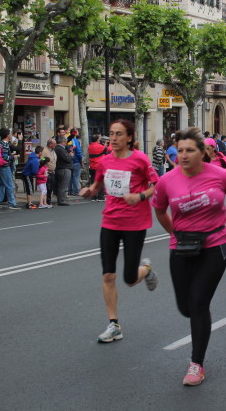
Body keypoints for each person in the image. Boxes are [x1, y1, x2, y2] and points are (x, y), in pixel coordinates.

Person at [151, 127, 226, 386]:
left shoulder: (220, 175)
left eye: (189, 150)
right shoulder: (166, 181)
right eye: (179, 151)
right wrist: (175, 232)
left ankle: (197, 364)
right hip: (181, 247)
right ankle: (195, 336)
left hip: (214, 244)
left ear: (202, 152)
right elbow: (160, 210)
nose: (183, 155)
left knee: (198, 302)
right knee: (185, 308)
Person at [79, 120, 159, 344]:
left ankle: (146, 269)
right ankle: (114, 324)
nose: (113, 139)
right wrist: (89, 191)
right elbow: (97, 186)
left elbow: (157, 184)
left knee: (130, 278)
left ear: (129, 138)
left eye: (118, 134)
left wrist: (141, 196)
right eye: (111, 134)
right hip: (110, 222)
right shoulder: (105, 161)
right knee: (108, 275)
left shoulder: (140, 159)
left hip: (135, 223)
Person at [0, 128, 19, 209]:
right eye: (10, 133)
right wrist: (13, 157)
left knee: (2, 184)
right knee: (9, 185)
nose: (10, 135)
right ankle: (12, 202)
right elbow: (5, 157)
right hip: (5, 167)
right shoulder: (5, 145)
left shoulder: (0, 143)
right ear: (7, 135)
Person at [88, 134, 107, 201]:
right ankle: (101, 196)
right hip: (99, 166)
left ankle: (93, 196)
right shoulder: (101, 147)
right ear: (97, 139)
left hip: (92, 166)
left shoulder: (89, 146)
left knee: (93, 181)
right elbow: (106, 150)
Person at [54, 136, 73, 206]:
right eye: (65, 142)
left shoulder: (57, 149)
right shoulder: (60, 149)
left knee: (61, 185)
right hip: (64, 168)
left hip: (60, 168)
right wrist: (70, 155)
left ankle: (61, 199)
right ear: (63, 142)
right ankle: (62, 200)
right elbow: (67, 159)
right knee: (63, 185)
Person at [41, 139, 57, 205]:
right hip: (47, 171)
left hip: (52, 171)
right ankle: (47, 200)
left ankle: (49, 199)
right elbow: (41, 159)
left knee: (51, 186)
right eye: (54, 143)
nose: (55, 144)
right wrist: (45, 160)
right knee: (48, 186)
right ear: (50, 144)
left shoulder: (53, 151)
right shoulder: (45, 151)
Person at [69, 129, 82, 196]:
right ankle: (76, 191)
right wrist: (81, 160)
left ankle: (70, 191)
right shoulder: (76, 141)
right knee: (76, 177)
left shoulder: (68, 141)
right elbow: (79, 152)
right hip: (76, 161)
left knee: (70, 177)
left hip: (69, 161)